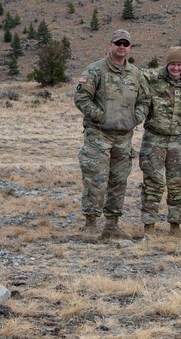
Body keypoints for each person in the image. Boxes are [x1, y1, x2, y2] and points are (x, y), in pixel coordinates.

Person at [74, 29, 150, 241]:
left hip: (124, 138)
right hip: (99, 135)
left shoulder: (135, 74)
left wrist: (136, 117)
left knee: (118, 181)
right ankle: (90, 224)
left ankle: (112, 224)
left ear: (130, 47)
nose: (122, 47)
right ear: (110, 45)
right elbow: (81, 97)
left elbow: (145, 100)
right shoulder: (95, 70)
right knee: (95, 180)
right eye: (118, 43)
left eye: (126, 43)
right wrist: (99, 115)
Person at [139, 46, 181, 237]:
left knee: (176, 184)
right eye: (172, 63)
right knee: (152, 182)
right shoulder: (152, 80)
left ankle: (175, 225)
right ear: (167, 64)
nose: (176, 68)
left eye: (180, 64)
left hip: (179, 141)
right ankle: (149, 226)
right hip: (154, 139)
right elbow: (134, 76)